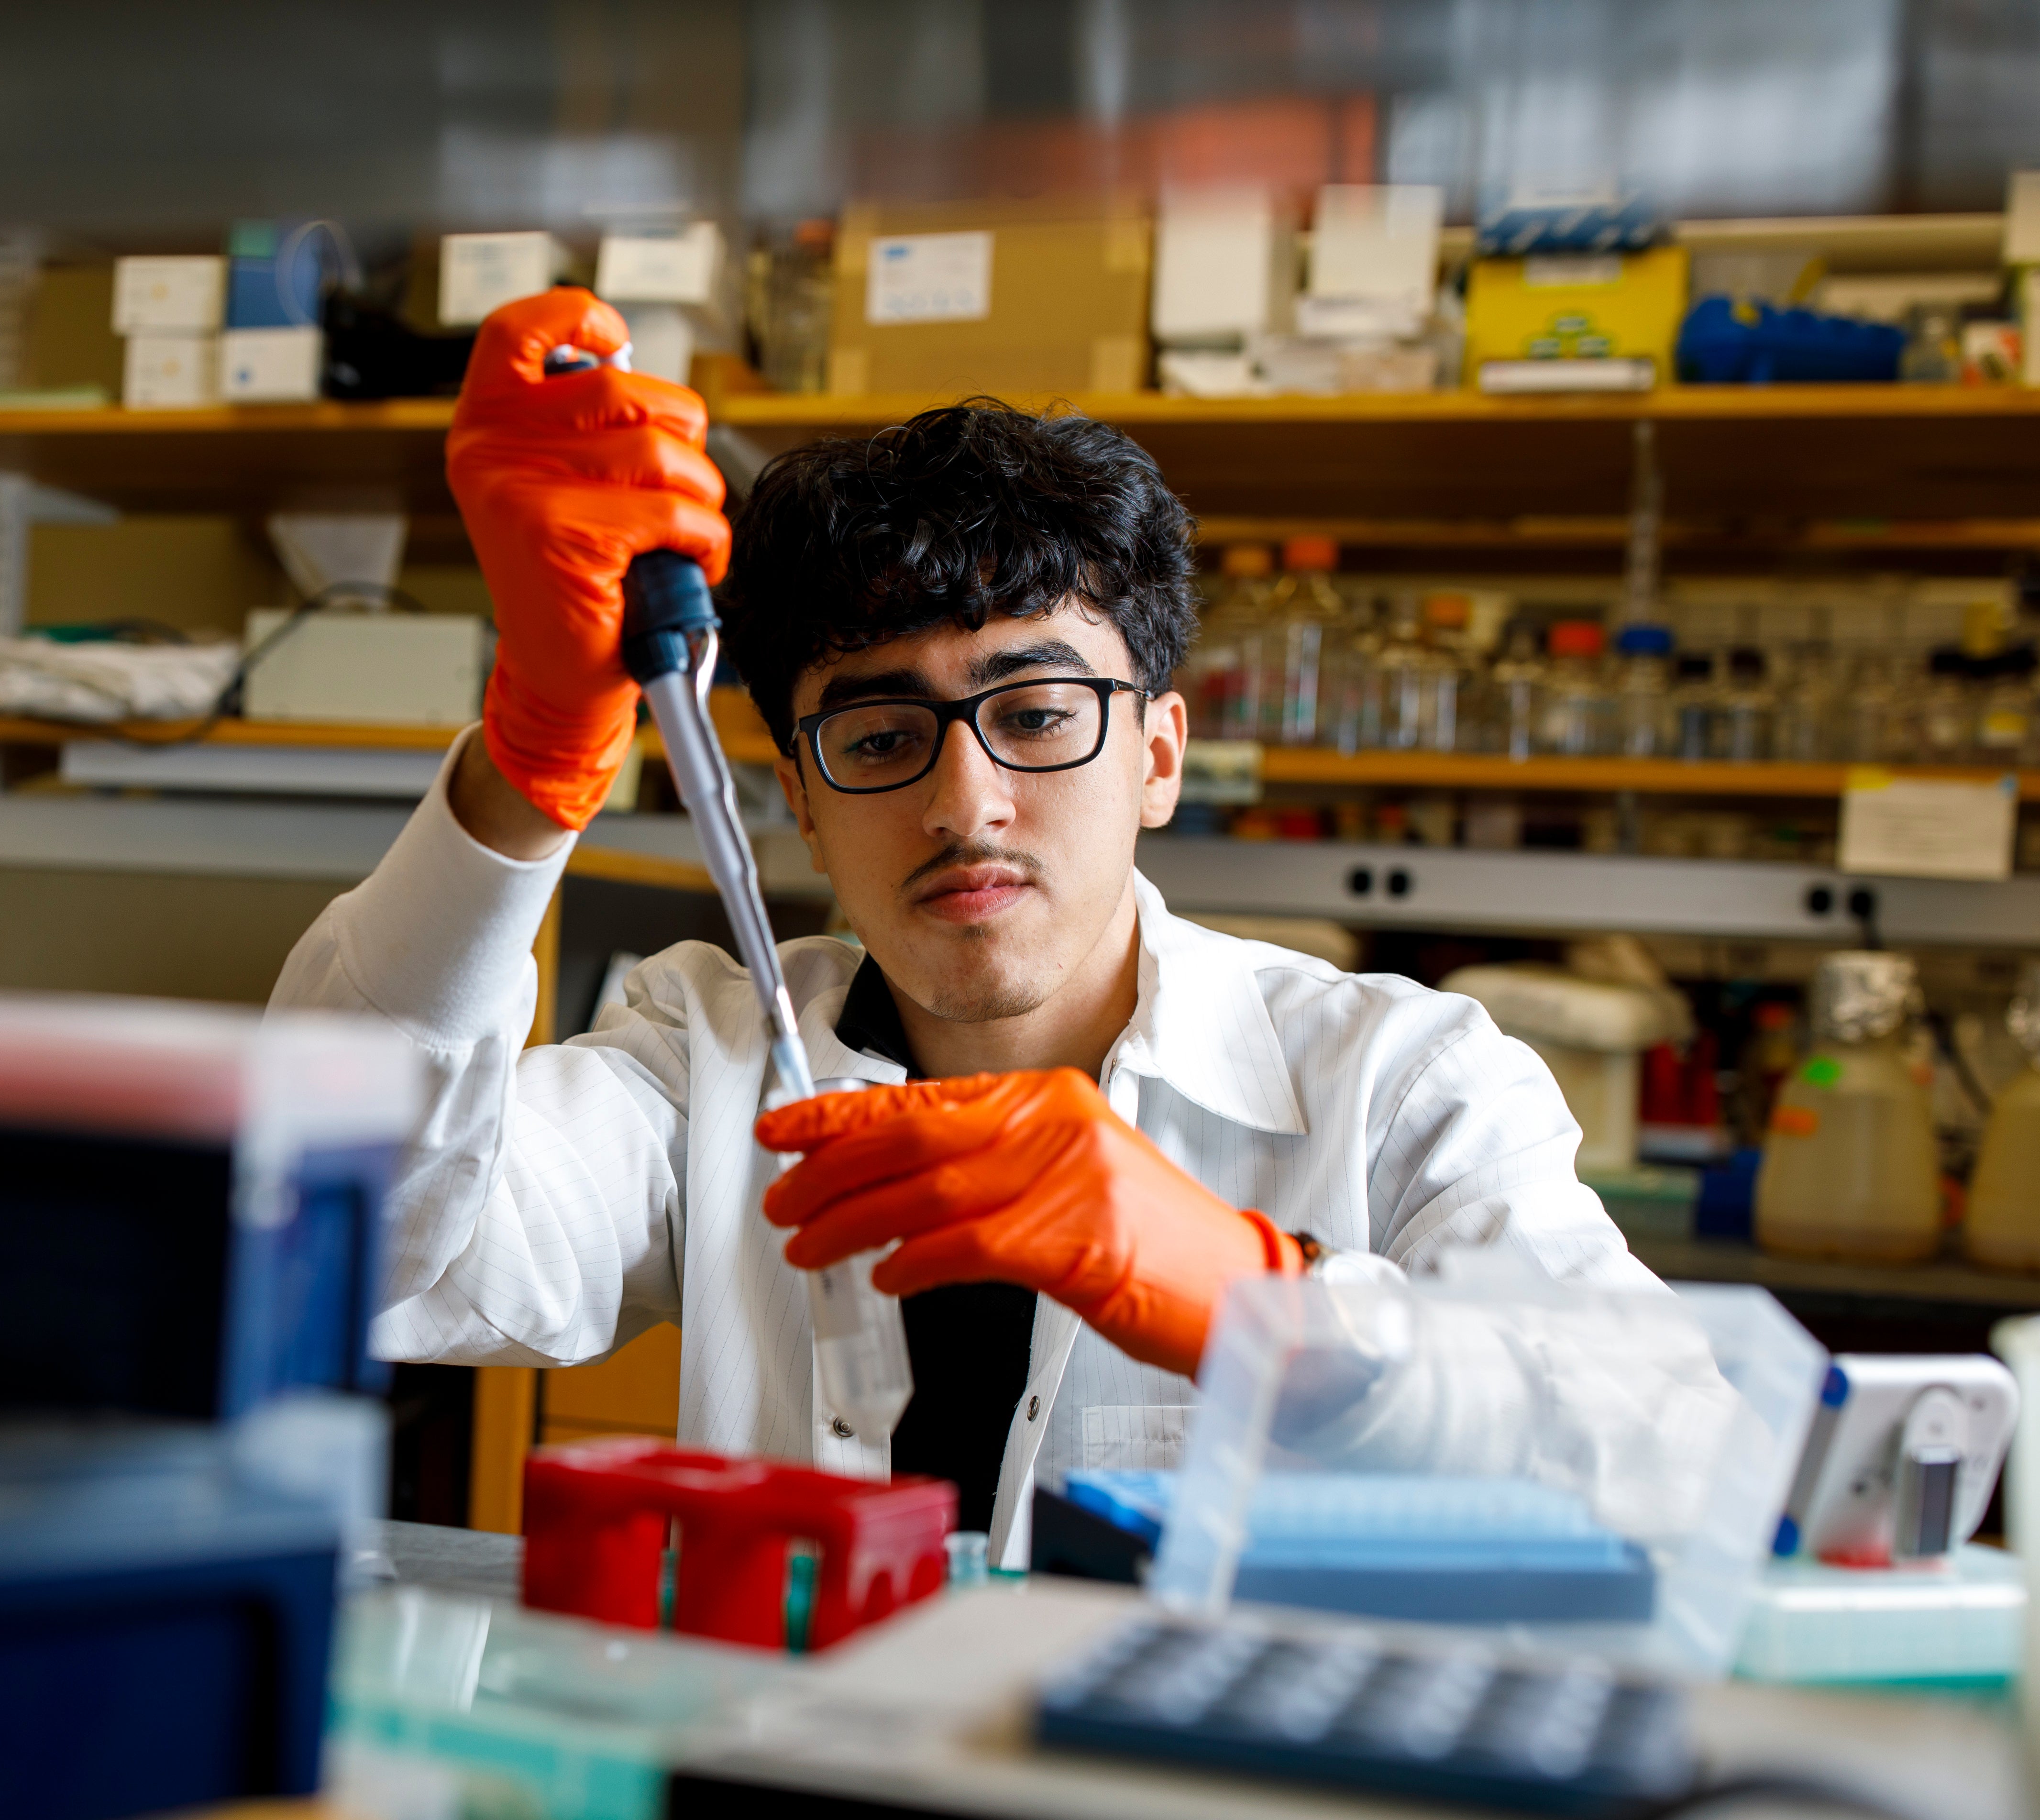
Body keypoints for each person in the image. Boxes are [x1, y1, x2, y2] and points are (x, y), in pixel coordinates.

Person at [269, 289, 1656, 1563]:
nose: (965, 802)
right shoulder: (709, 1057)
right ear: (801, 802)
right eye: (879, 736)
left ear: (1160, 756)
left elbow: (1671, 1463)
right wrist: (531, 760)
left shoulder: (1404, 1084)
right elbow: (346, 1252)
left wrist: (1259, 1299)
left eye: (1039, 713)